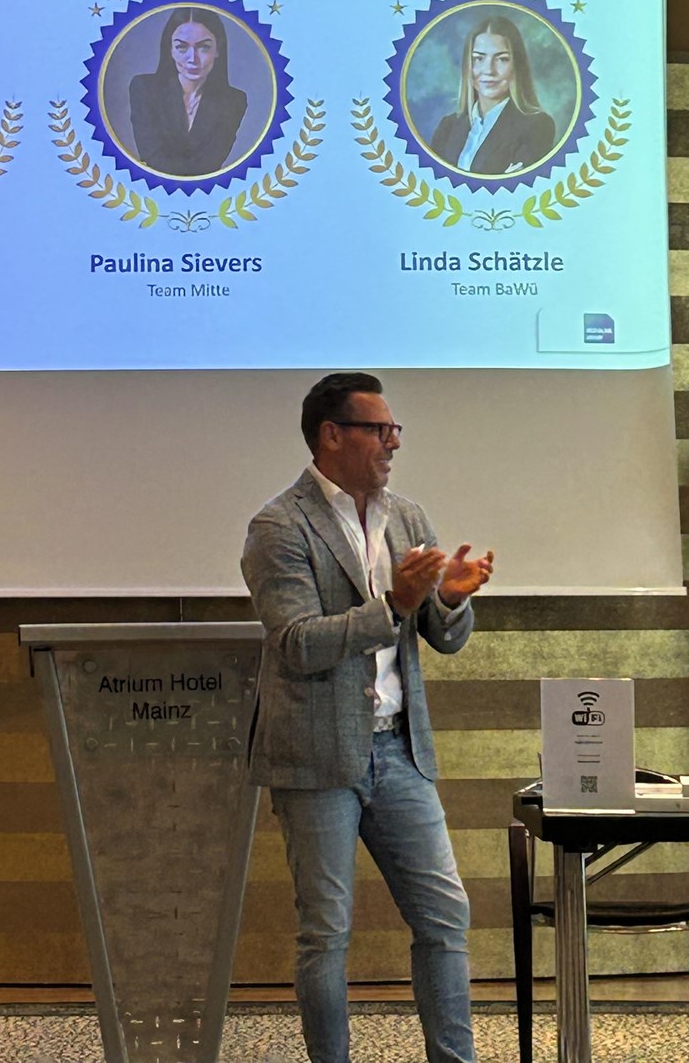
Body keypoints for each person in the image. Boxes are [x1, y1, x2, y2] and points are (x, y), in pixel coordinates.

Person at [241, 371, 494, 1063]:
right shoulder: (279, 525)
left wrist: (452, 600)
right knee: (326, 932)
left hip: (399, 751)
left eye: (394, 430)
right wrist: (395, 605)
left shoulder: (406, 517)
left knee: (444, 916)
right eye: (379, 429)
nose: (393, 443)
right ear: (332, 435)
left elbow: (441, 637)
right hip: (316, 754)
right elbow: (297, 643)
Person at [426, 13, 556, 176]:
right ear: (468, 66)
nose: (489, 70)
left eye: (502, 59)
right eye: (479, 59)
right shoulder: (448, 127)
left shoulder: (536, 126)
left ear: (517, 65)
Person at [127, 7, 248, 177]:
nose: (192, 58)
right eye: (181, 47)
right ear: (170, 49)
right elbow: (152, 156)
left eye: (204, 47)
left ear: (218, 50)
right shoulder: (144, 89)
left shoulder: (234, 101)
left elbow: (211, 163)